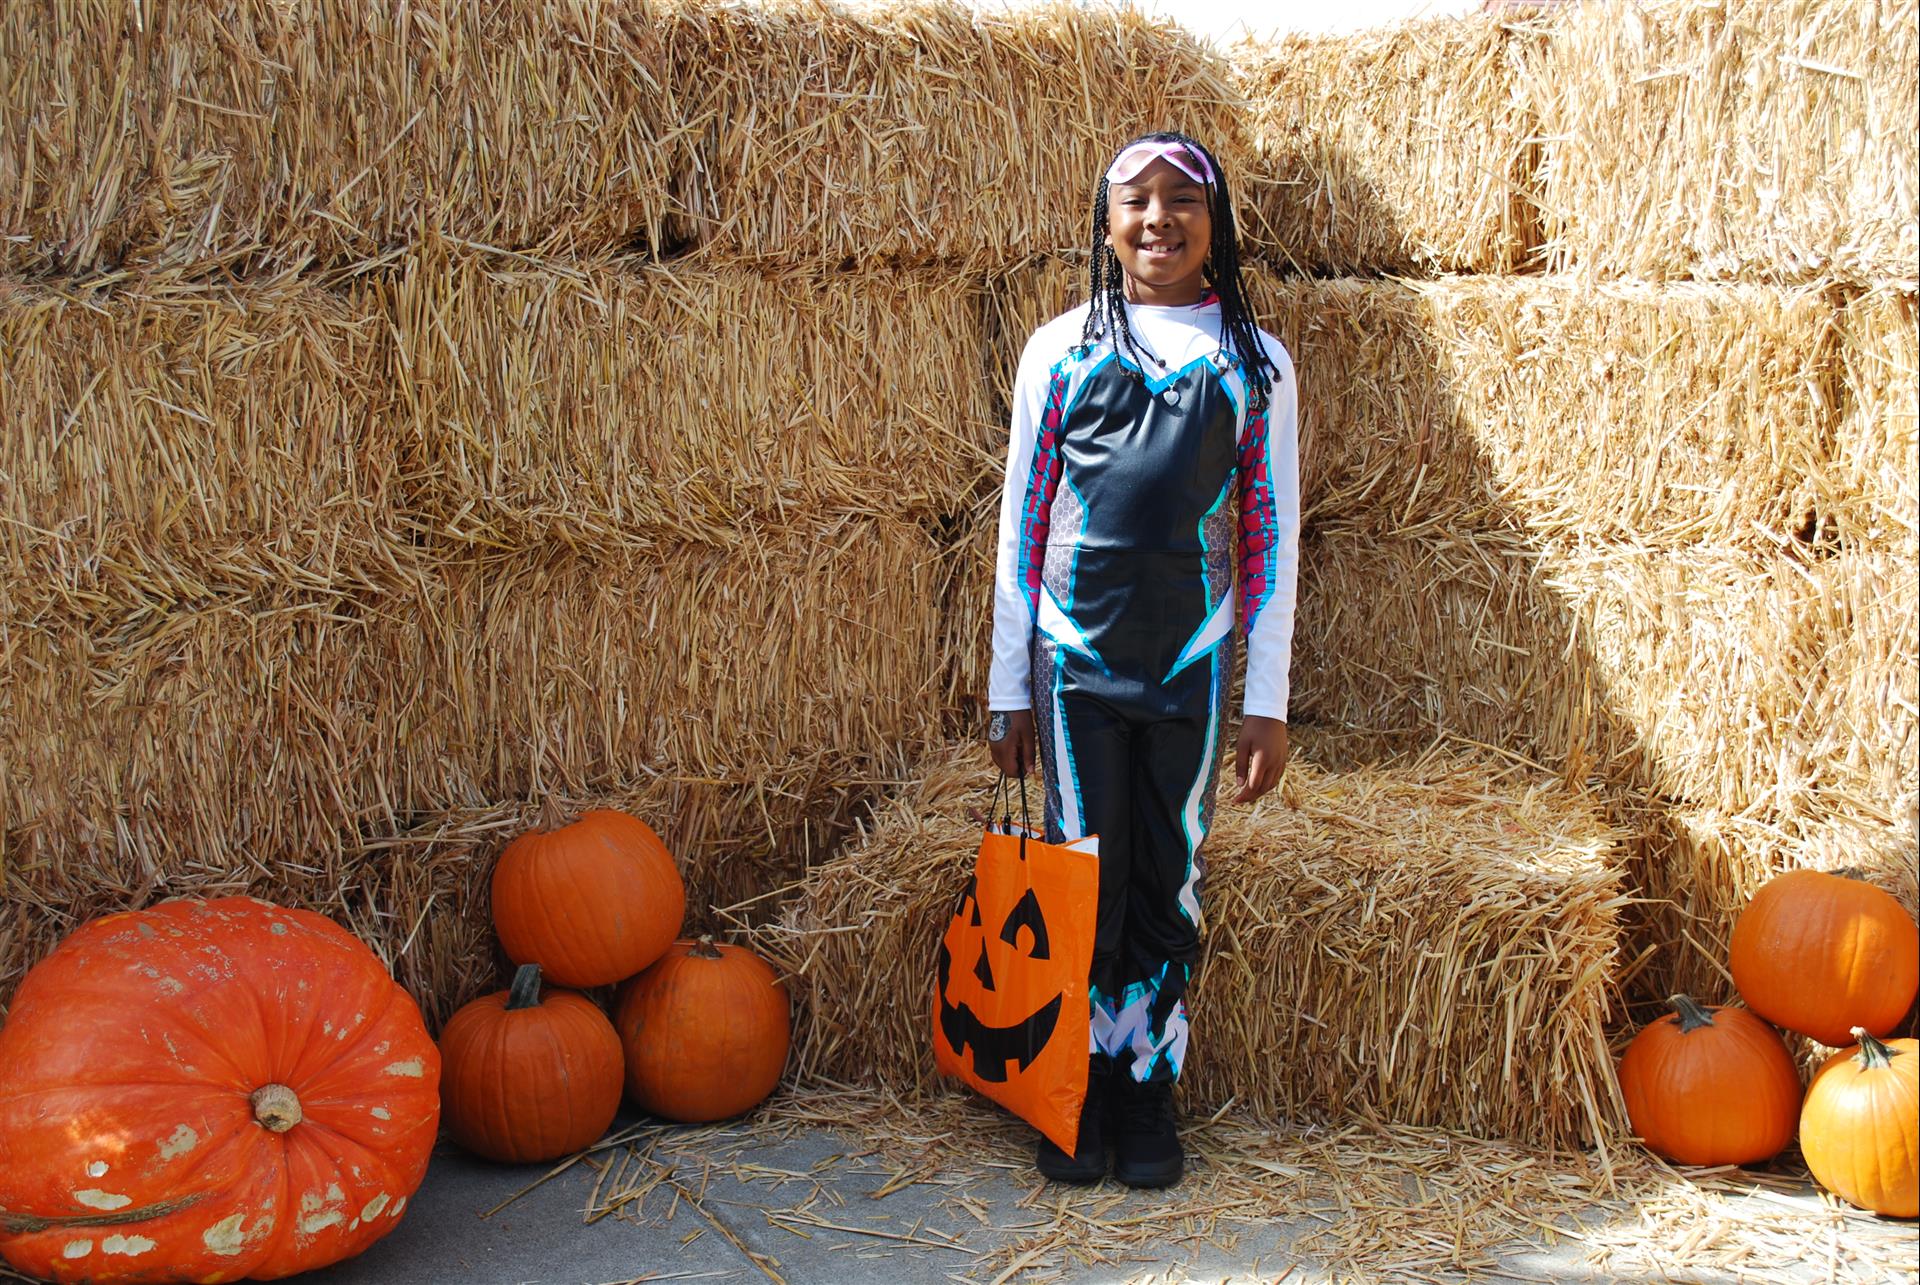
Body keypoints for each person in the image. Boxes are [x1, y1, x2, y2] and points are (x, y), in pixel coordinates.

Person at [984, 132, 1300, 1188]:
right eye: (1137, 200)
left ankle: (1142, 1090)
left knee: (1170, 882)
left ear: (1218, 226)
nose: (1159, 219)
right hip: (1073, 666)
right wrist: (1007, 684)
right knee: (1084, 881)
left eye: (1183, 201)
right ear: (1105, 222)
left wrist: (1267, 698)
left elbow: (1270, 538)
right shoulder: (1059, 348)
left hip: (1193, 668)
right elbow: (1023, 524)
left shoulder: (1256, 360)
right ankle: (1070, 1091)